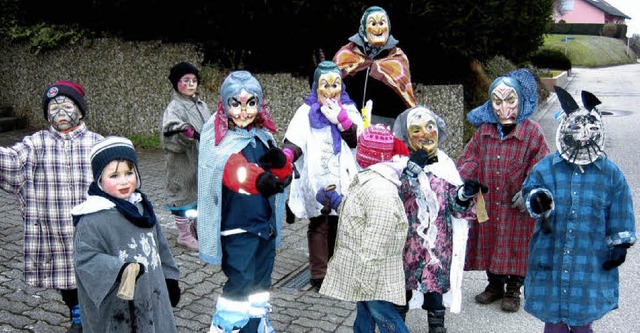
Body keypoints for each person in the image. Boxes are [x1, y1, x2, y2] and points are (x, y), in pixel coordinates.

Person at [521, 87, 636, 333]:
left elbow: (621, 206)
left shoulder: (610, 173)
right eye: (576, 129)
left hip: (589, 258)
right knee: (553, 321)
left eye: (590, 130)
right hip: (552, 254)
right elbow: (530, 189)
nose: (583, 136)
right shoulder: (546, 167)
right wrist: (537, 198)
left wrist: (620, 243)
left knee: (583, 320)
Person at [0, 80, 103, 333]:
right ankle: (77, 316)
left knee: (98, 278)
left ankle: (100, 315)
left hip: (95, 234)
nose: (60, 112)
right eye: (53, 108)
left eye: (67, 105)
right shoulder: (36, 144)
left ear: (80, 110)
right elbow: (11, 162)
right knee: (68, 282)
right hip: (55, 233)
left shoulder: (97, 143)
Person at [197, 70, 293, 333]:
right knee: (240, 282)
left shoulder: (261, 135)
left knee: (260, 283)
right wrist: (261, 180)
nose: (243, 111)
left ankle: (254, 325)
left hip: (263, 225)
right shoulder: (217, 136)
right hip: (237, 227)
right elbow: (232, 170)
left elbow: (280, 171)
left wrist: (282, 166)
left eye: (251, 103)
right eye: (235, 104)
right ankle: (226, 327)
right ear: (225, 104)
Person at [456, 69, 550, 312]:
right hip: (489, 202)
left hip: (516, 205)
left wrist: (530, 189)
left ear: (520, 100)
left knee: (516, 246)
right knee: (490, 242)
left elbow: (542, 164)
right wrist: (466, 180)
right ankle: (494, 285)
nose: (503, 108)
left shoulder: (532, 132)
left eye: (510, 100)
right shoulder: (485, 131)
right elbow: (470, 158)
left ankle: (513, 290)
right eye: (497, 101)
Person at [71, 136, 181, 332]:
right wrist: (120, 269)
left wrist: (170, 278)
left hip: (153, 293)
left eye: (129, 173)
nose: (124, 181)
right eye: (114, 176)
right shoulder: (92, 219)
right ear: (99, 179)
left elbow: (160, 246)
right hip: (120, 307)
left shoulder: (141, 208)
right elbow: (85, 259)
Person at [392, 106, 484, 333]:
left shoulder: (445, 165)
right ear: (406, 136)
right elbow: (395, 199)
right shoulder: (400, 165)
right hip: (408, 244)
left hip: (438, 244)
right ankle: (394, 324)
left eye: (429, 127)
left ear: (438, 130)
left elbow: (454, 206)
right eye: (416, 130)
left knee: (434, 289)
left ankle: (436, 326)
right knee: (402, 288)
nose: (424, 134)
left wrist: (464, 195)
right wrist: (411, 172)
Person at [316, 124, 410, 333]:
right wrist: (336, 200)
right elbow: (358, 215)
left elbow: (376, 238)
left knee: (386, 319)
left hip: (372, 272)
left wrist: (366, 279)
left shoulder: (379, 190)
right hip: (365, 269)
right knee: (364, 317)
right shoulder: (370, 180)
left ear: (365, 154)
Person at [283, 60, 363, 291]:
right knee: (318, 223)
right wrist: (287, 154)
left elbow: (358, 139)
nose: (330, 91)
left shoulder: (347, 108)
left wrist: (343, 121)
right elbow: (295, 139)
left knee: (340, 221)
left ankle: (337, 267)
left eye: (335, 85)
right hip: (317, 176)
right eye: (325, 85)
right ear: (316, 86)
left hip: (343, 176)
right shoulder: (306, 111)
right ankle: (319, 273)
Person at [333, 5, 417, 129]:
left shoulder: (397, 59)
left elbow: (405, 98)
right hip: (348, 123)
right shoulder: (345, 55)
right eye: (373, 23)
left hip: (385, 126)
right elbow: (331, 85)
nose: (378, 28)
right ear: (363, 29)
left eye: (382, 23)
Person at [161, 61, 212, 250]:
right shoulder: (174, 107)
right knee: (183, 195)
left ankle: (197, 227)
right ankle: (184, 235)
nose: (191, 84)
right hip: (182, 160)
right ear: (176, 83)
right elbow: (170, 128)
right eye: (186, 80)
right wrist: (184, 132)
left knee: (199, 194)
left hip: (200, 158)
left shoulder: (201, 105)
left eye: (194, 80)